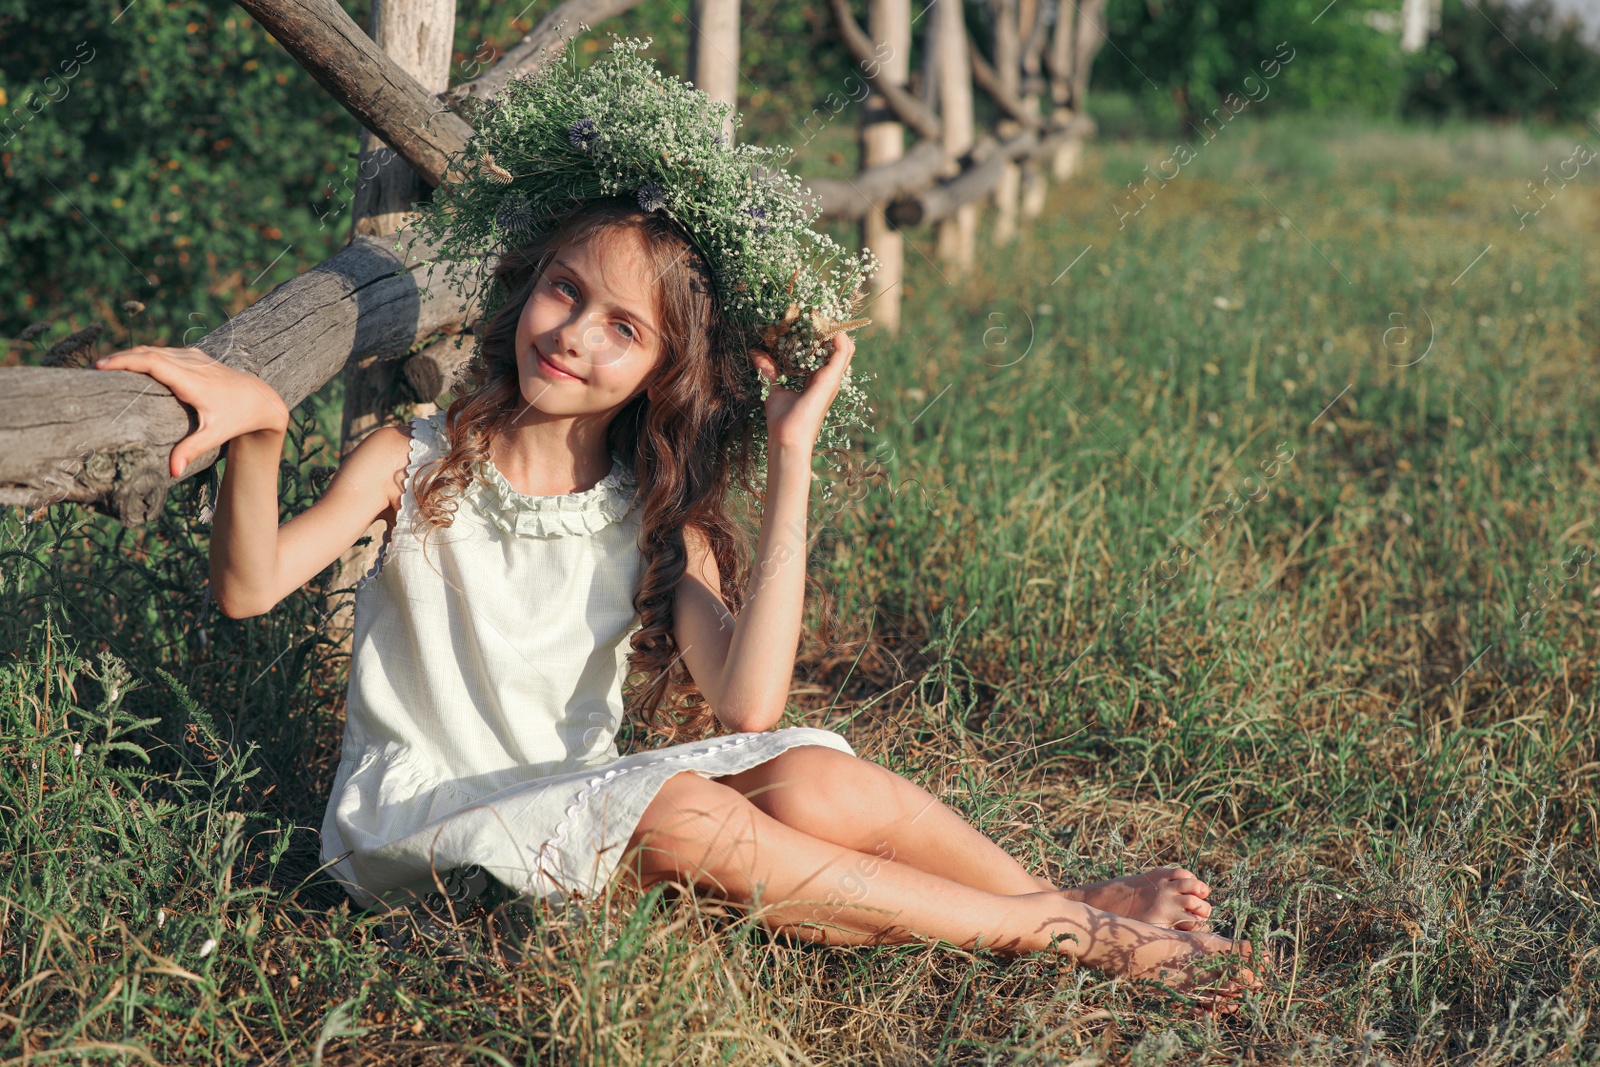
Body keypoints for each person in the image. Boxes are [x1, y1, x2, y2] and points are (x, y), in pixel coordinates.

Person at [89, 42, 1258, 1010]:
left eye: (622, 329)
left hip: (581, 800)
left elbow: (749, 704)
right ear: (527, 282)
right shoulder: (416, 456)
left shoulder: (647, 515)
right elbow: (249, 586)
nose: (575, 335)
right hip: (426, 825)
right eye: (564, 290)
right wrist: (260, 433)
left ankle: (1062, 891)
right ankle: (1061, 936)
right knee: (689, 808)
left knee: (815, 780)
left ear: (661, 371)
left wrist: (791, 455)